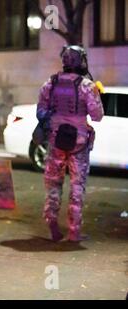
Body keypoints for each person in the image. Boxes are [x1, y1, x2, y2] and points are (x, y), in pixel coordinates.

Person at [37, 45, 104, 242]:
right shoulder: (87, 86)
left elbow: (41, 111)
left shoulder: (51, 82)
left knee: (53, 183)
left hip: (56, 141)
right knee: (77, 185)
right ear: (81, 61)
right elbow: (97, 116)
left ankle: (52, 221)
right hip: (79, 144)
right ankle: (74, 231)